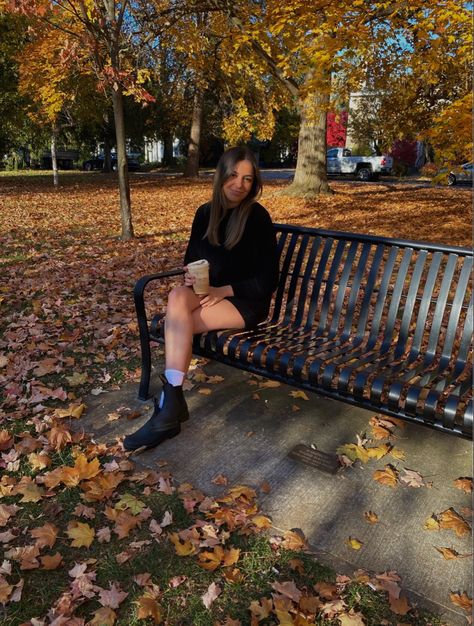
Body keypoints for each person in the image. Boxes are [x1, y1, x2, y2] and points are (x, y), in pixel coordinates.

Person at [123, 146, 279, 451]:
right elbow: (191, 260)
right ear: (221, 174)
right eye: (234, 175)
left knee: (174, 322)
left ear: (254, 184)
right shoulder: (204, 214)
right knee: (178, 296)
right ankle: (173, 401)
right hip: (208, 296)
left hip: (245, 301)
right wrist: (192, 279)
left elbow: (267, 281)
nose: (239, 184)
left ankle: (170, 407)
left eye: (248, 179)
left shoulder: (257, 218)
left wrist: (223, 290)